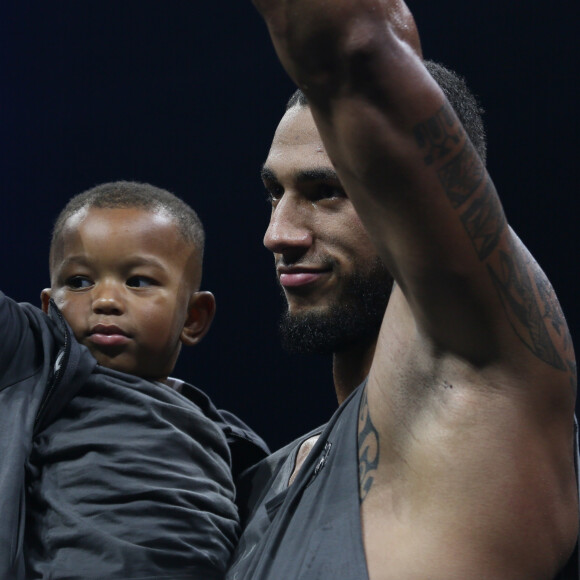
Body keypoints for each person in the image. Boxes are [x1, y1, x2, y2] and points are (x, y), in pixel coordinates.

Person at [226, 1, 579, 578]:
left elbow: (353, 43)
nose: (278, 234)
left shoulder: (484, 379)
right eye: (275, 194)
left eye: (325, 192)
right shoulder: (262, 481)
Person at [0, 181, 268, 580]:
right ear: (47, 308)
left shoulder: (248, 456)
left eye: (138, 282)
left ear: (193, 318)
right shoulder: (32, 354)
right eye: (78, 282)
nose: (105, 299)